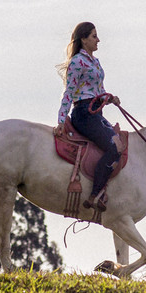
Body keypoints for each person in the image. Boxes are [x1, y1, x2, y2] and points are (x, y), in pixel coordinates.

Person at [54, 22, 121, 211]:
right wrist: (61, 120)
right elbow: (70, 92)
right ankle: (95, 193)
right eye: (94, 36)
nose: (98, 39)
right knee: (114, 145)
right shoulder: (77, 62)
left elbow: (97, 91)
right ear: (83, 39)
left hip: (96, 111)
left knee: (119, 144)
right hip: (83, 114)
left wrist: (109, 98)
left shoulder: (95, 62)